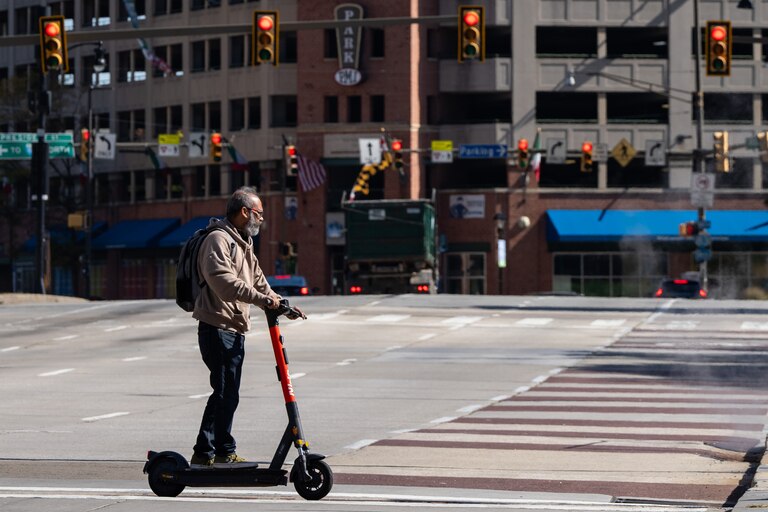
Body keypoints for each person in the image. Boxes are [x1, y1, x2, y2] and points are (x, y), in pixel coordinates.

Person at [190, 186, 302, 466]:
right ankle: (210, 452)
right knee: (224, 391)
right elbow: (225, 284)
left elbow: (259, 279)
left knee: (229, 392)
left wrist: (280, 303)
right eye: (259, 213)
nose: (262, 219)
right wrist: (263, 300)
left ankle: (216, 450)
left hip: (234, 328)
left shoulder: (242, 243)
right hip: (216, 327)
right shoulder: (217, 240)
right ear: (244, 212)